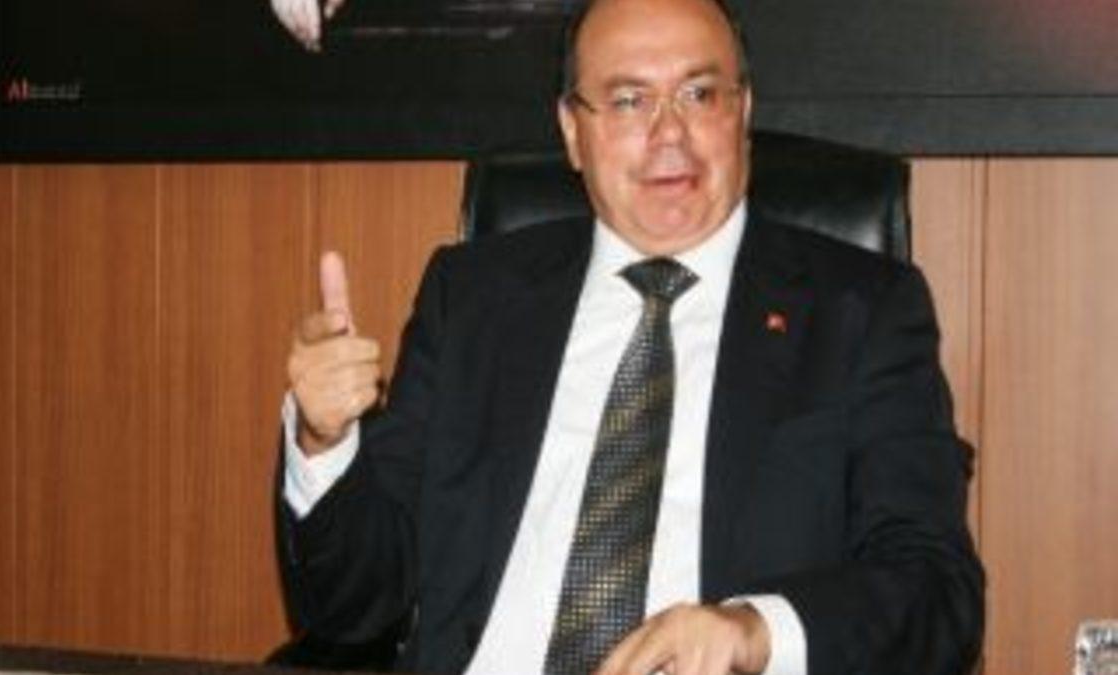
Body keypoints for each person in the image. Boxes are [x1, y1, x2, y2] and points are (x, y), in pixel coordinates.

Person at [276, 0, 985, 672]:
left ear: (743, 112)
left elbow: (935, 591)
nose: (669, 134)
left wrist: (753, 630)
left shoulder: (861, 313)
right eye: (627, 101)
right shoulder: (472, 299)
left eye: (699, 94)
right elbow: (353, 607)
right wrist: (324, 443)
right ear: (571, 131)